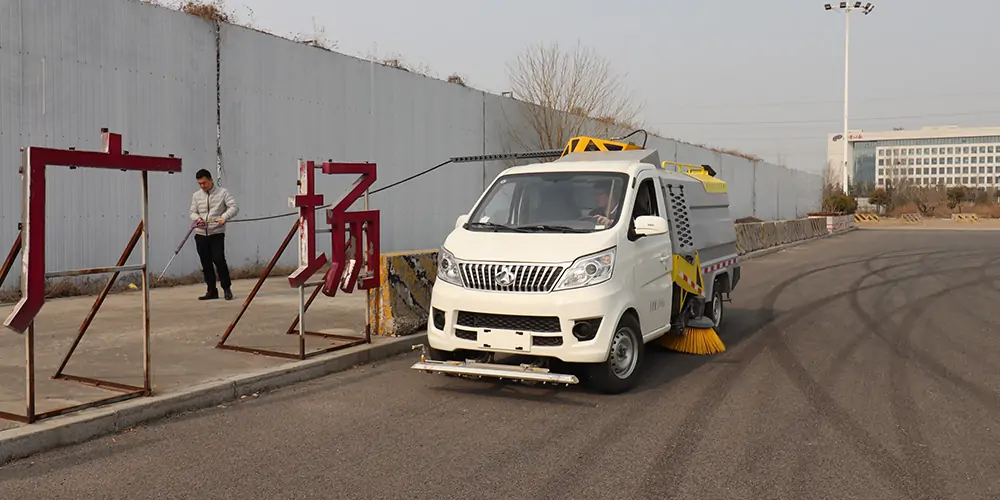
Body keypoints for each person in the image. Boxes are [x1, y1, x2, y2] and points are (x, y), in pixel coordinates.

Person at [189, 169, 239, 301]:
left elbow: (234, 207)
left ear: (211, 180)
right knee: (205, 263)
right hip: (200, 234)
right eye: (199, 183)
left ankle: (227, 288)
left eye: (204, 182)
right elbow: (192, 212)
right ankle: (211, 290)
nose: (202, 186)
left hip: (216, 233)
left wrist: (224, 217)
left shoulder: (223, 193)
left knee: (219, 260)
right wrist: (197, 219)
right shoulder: (196, 196)